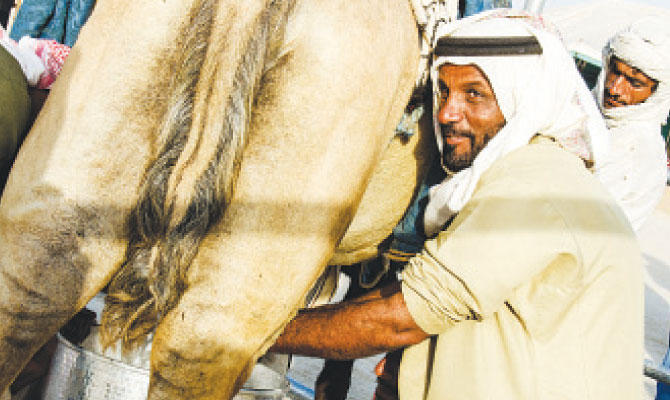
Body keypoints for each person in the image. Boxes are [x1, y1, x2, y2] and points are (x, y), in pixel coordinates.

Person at [270, 12, 642, 400]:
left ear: (524, 99)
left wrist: (257, 332)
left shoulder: (533, 187)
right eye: (443, 92)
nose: (446, 113)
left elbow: (400, 319)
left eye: (474, 94)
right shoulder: (525, 174)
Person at [594, 17, 670, 232]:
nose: (615, 88)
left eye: (635, 83)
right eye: (615, 71)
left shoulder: (638, 149)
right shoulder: (590, 113)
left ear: (657, 93)